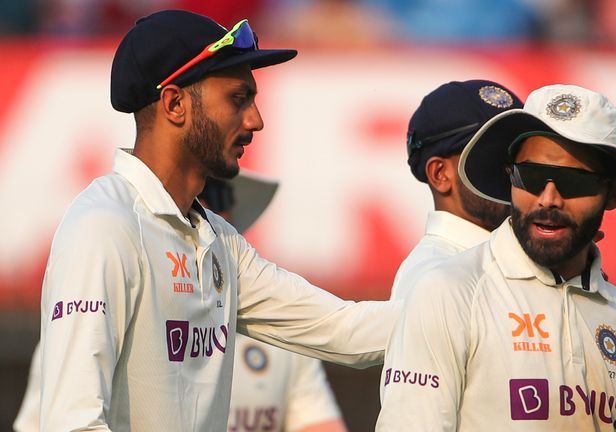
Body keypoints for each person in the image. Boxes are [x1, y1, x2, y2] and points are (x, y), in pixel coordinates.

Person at [38, 10, 398, 431]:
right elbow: (71, 423)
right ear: (175, 104)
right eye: (238, 99)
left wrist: (474, 312)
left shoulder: (219, 240)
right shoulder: (105, 226)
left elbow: (343, 331)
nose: (256, 121)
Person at [378, 84, 616, 430]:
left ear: (614, 192)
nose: (548, 198)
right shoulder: (446, 289)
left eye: (573, 182)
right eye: (530, 176)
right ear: (509, 176)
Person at [198, 175, 348, 432]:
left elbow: (319, 424)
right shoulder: (139, 306)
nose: (215, 213)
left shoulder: (280, 329)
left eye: (221, 196)